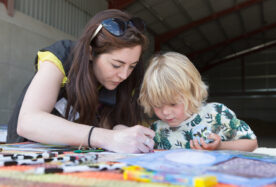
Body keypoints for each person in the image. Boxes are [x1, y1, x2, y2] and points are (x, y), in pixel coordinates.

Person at [7, 9, 155, 153]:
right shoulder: (62, 56)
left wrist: (121, 131)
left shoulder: (118, 80)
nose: (124, 75)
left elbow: (110, 125)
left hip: (73, 159)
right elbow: (28, 122)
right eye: (116, 65)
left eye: (132, 66)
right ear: (91, 52)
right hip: (25, 155)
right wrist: (105, 137)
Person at [139, 52, 258, 151]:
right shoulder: (156, 130)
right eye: (157, 105)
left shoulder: (217, 114)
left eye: (173, 104)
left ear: (192, 92)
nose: (165, 112)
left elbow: (251, 144)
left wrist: (220, 146)